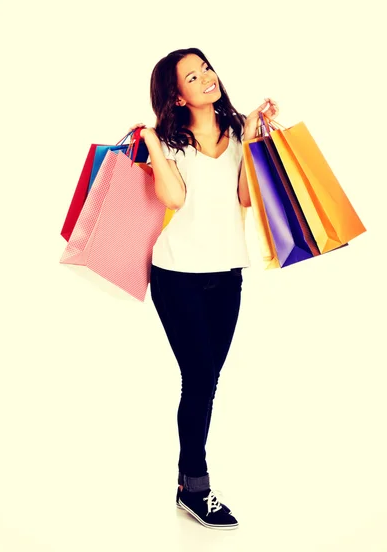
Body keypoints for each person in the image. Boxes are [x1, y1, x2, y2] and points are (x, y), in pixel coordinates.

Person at [128, 47, 279, 530]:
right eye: (192, 76)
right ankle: (196, 487)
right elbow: (173, 197)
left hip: (226, 275)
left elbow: (244, 197)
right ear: (176, 94)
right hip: (177, 277)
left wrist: (253, 137)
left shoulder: (235, 130)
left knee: (205, 382)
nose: (207, 78)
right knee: (198, 380)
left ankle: (186, 485)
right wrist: (151, 141)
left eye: (207, 68)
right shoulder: (170, 138)